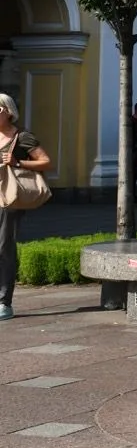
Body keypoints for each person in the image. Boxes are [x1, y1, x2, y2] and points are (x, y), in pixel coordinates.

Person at [0, 94, 53, 321]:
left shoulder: (22, 136)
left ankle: (4, 302)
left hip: (8, 199)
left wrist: (17, 162)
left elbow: (46, 162)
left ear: (8, 111)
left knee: (3, 248)